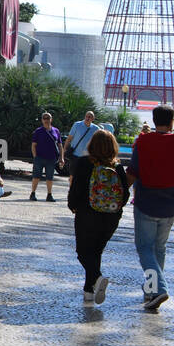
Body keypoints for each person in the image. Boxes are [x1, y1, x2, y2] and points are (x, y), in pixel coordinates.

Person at [126, 105, 174, 311]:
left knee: (145, 248)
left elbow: (132, 172)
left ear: (154, 120)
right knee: (159, 249)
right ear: (172, 121)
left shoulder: (143, 142)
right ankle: (150, 291)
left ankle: (158, 289)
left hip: (146, 202)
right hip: (168, 206)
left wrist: (121, 193)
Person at [67, 129, 129, 306]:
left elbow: (76, 188)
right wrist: (115, 209)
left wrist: (73, 205)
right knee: (96, 252)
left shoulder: (85, 163)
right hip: (110, 217)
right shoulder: (117, 166)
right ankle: (89, 290)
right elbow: (124, 193)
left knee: (83, 253)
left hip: (88, 214)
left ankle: (96, 278)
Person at [29, 112, 64, 201]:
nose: (46, 120)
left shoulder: (56, 131)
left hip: (51, 158)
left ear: (51, 119)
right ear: (42, 120)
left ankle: (49, 194)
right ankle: (33, 193)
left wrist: (61, 157)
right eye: (44, 118)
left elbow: (60, 145)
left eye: (48, 118)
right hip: (39, 158)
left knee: (50, 177)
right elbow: (33, 145)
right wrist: (35, 157)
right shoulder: (38, 131)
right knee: (36, 176)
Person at [64, 110, 99, 177]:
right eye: (86, 116)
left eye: (89, 117)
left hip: (87, 157)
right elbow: (69, 138)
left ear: (93, 119)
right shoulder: (77, 125)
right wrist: (64, 149)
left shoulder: (96, 128)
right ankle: (72, 187)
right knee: (72, 175)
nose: (87, 118)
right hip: (75, 155)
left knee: (84, 176)